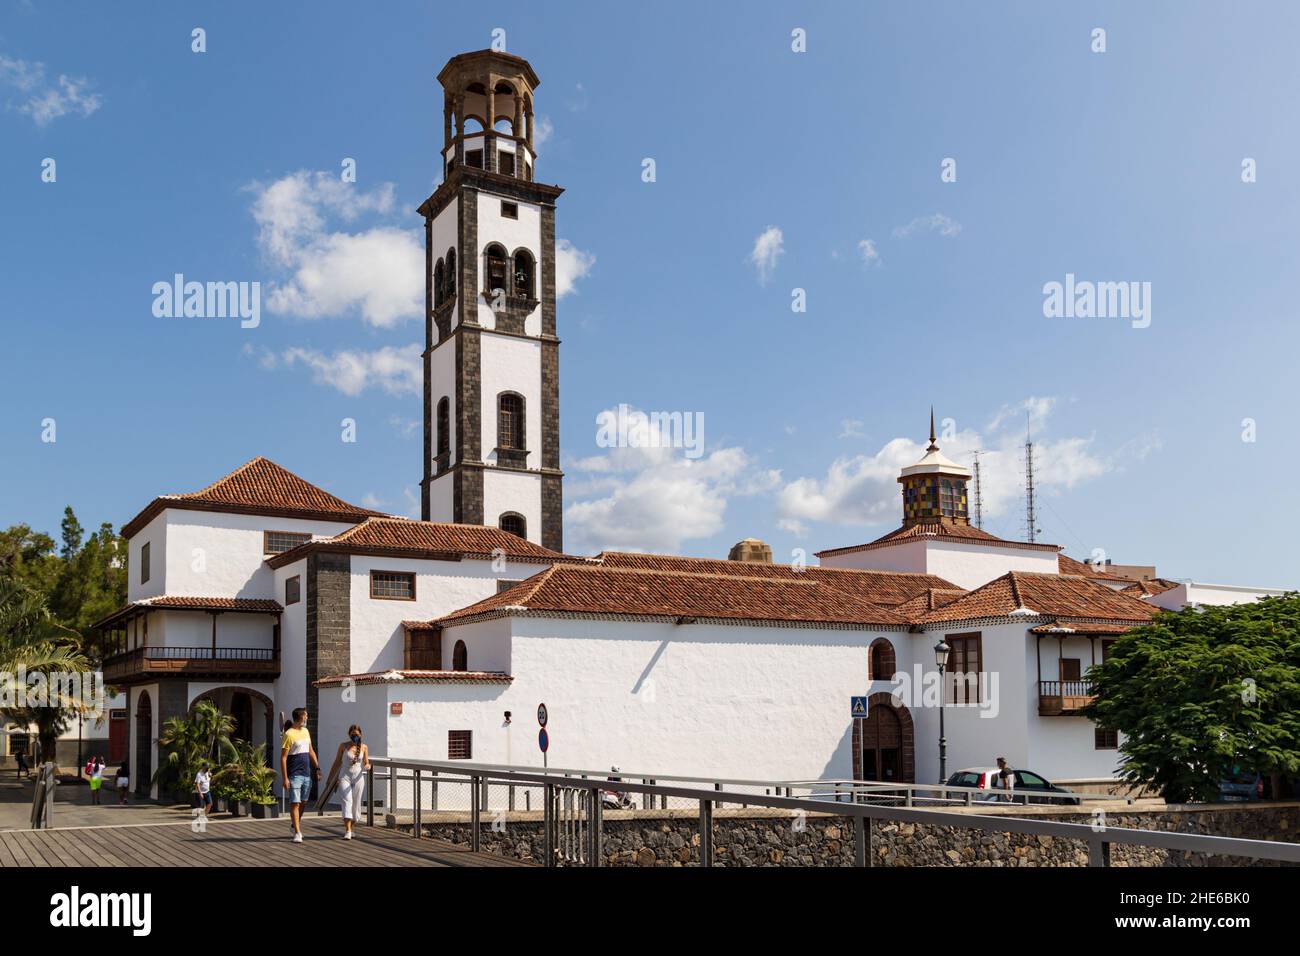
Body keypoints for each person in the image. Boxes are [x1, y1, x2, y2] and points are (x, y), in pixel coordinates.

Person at [280, 708, 321, 843]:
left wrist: (317, 768)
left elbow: (311, 751)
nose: (307, 718)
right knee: (295, 803)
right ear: (301, 717)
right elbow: (283, 758)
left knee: (303, 802)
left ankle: (294, 824)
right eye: (306, 716)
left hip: (307, 773)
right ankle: (297, 832)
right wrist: (285, 778)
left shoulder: (306, 731)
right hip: (294, 774)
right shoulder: (288, 734)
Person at [326, 724, 371, 840]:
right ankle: (348, 830)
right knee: (347, 801)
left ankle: (351, 827)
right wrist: (330, 778)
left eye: (356, 734)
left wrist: (367, 765)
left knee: (356, 804)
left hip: (358, 778)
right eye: (352, 734)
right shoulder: (343, 746)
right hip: (344, 777)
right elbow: (337, 762)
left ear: (360, 735)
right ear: (349, 734)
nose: (354, 736)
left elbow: (366, 762)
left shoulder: (364, 747)